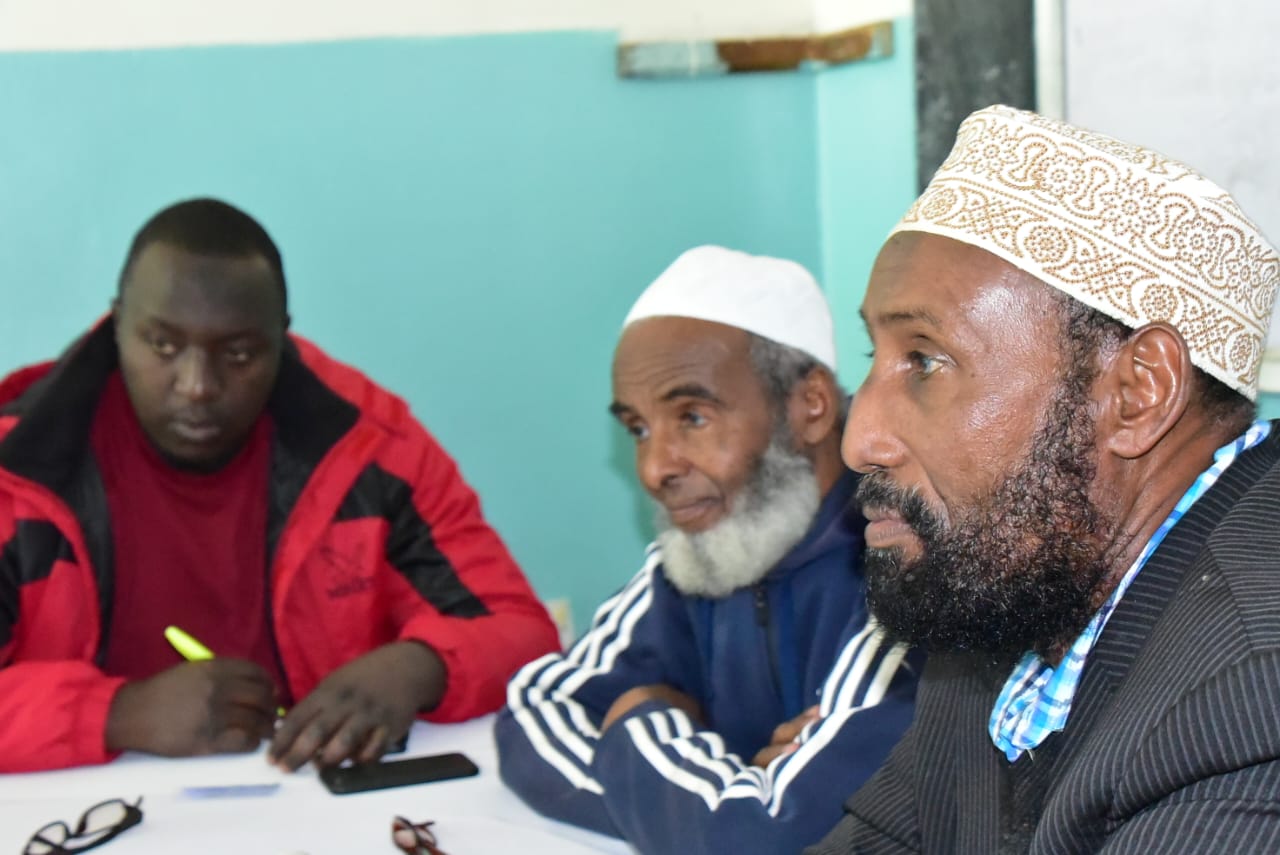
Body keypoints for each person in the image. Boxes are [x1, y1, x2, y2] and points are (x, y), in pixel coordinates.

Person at [808, 105, 1280, 854]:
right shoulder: (1016, 575)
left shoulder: (1251, 686)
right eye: (876, 359)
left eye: (925, 361)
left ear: (1137, 392)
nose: (861, 439)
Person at [0, 198, 560, 773]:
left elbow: (520, 631)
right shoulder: (18, 465)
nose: (197, 386)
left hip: (305, 808)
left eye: (239, 354)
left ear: (280, 341)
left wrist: (421, 668)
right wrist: (119, 713)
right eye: (163, 345)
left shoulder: (369, 451)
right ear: (117, 325)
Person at [495, 246, 921, 855]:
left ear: (811, 407)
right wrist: (734, 788)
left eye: (691, 417)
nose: (654, 468)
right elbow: (534, 714)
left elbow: (779, 838)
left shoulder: (906, 559)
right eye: (638, 429)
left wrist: (640, 720)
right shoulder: (699, 552)